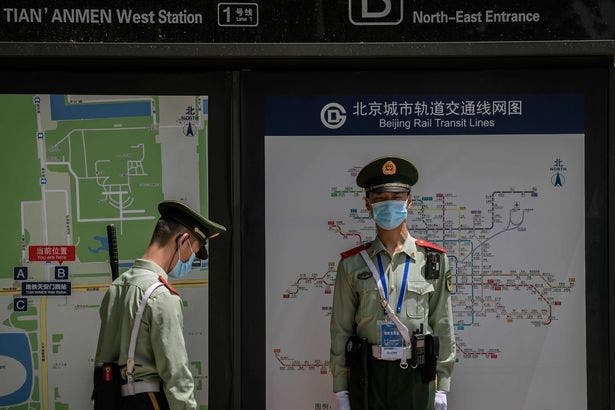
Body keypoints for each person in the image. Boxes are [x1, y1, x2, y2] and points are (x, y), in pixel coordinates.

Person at [330, 157, 456, 410]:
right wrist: (342, 388)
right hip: (368, 375)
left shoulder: (432, 260)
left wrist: (442, 385)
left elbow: (442, 323)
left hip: (416, 374)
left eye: (396, 197)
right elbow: (341, 330)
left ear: (409, 202)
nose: (389, 204)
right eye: (380, 198)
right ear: (368, 204)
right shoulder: (352, 265)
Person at [94, 200, 226, 409]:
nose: (191, 261)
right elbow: (177, 377)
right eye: (194, 251)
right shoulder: (161, 296)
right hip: (148, 402)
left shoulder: (117, 288)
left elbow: (103, 363)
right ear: (183, 241)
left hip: (112, 401)